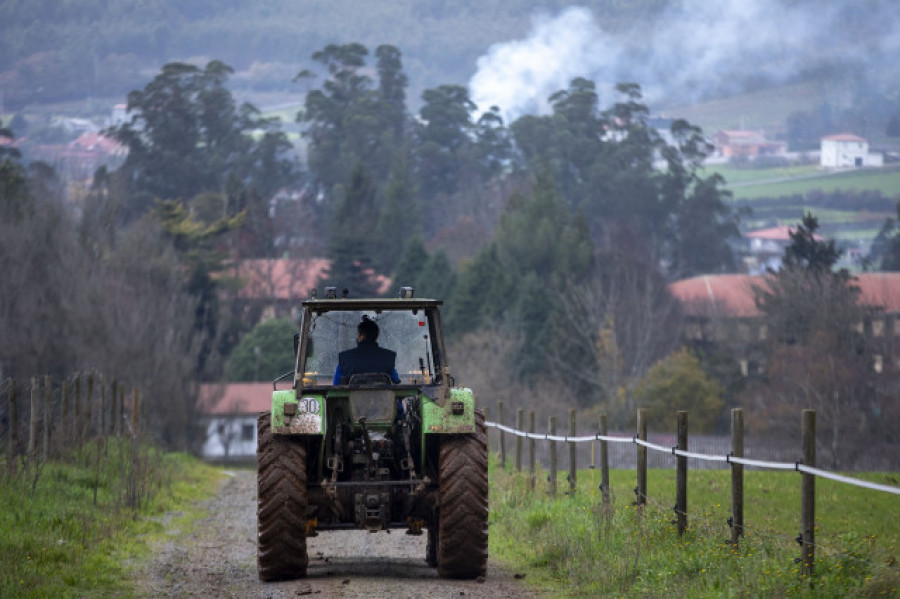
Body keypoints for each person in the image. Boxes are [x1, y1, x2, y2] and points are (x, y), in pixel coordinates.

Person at [333, 316, 401, 385]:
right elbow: (396, 382)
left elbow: (336, 385)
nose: (357, 338)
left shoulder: (345, 359)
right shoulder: (389, 358)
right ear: (376, 335)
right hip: (382, 396)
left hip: (354, 396)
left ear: (362, 335)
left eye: (358, 334)